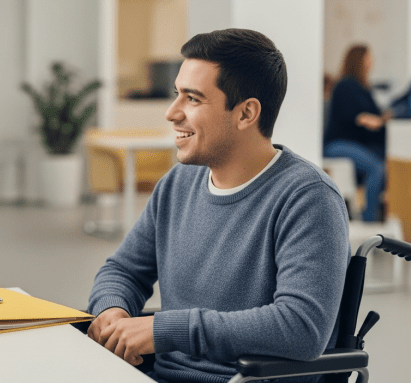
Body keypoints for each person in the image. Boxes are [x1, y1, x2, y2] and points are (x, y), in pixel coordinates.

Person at [86, 29, 350, 382]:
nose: (171, 113)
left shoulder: (309, 198)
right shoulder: (177, 185)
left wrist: (164, 330)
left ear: (245, 114)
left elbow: (300, 327)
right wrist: (112, 311)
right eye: (176, 94)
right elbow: (124, 271)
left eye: (192, 99)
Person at [324, 44, 391, 222]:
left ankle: (372, 213)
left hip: (353, 144)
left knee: (383, 162)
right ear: (359, 60)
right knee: (376, 168)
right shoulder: (346, 85)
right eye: (369, 58)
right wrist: (380, 120)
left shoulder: (362, 88)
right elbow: (363, 118)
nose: (372, 62)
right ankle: (369, 220)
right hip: (337, 145)